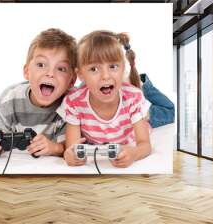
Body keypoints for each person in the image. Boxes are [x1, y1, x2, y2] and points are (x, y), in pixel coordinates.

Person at [0, 28, 77, 160]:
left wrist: (54, 148)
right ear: (27, 72)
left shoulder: (73, 103)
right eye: (41, 64)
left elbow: (72, 147)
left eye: (61, 68)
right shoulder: (10, 99)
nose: (50, 73)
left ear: (71, 80)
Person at [61, 30, 151, 168]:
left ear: (123, 69)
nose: (105, 76)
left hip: (130, 133)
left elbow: (145, 145)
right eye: (94, 69)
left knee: (162, 114)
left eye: (113, 66)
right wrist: (70, 155)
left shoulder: (133, 98)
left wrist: (134, 153)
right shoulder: (74, 102)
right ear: (80, 75)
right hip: (98, 142)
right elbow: (72, 147)